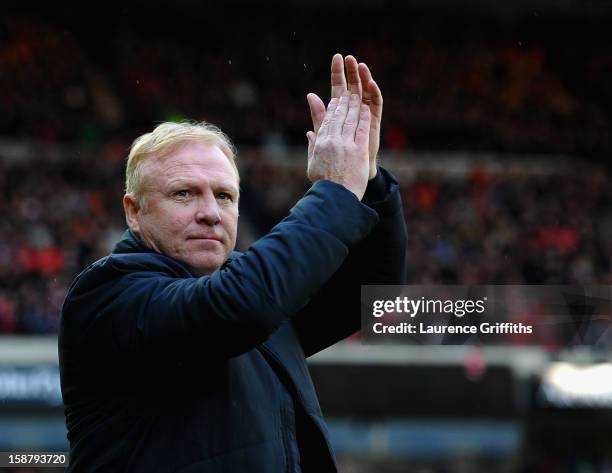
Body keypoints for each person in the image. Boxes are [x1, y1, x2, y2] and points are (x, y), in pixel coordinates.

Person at [58, 54, 407, 473]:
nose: (210, 212)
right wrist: (334, 190)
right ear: (134, 211)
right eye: (184, 193)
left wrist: (367, 184)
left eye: (224, 196)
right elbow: (237, 306)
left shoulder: (256, 296)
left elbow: (369, 294)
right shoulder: (107, 296)